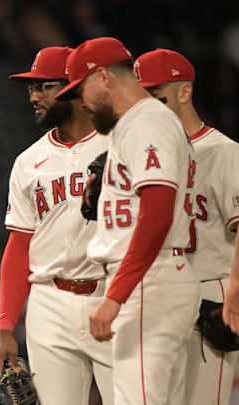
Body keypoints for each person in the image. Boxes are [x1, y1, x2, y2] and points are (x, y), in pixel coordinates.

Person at [55, 37, 200, 405]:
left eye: (81, 88)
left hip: (149, 281)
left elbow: (157, 215)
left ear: (103, 77)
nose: (81, 102)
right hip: (153, 276)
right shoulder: (140, 123)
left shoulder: (147, 122)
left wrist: (116, 295)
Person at [0, 46, 113, 405]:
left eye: (44, 86)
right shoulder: (28, 162)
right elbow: (18, 246)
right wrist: (4, 326)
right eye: (32, 87)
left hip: (112, 294)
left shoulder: (120, 144)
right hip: (50, 301)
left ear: (75, 87)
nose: (33, 96)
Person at [134, 48, 239, 405]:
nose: (146, 105)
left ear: (183, 91)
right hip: (162, 294)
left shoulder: (224, 152)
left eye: (155, 94)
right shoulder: (143, 157)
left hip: (212, 291)